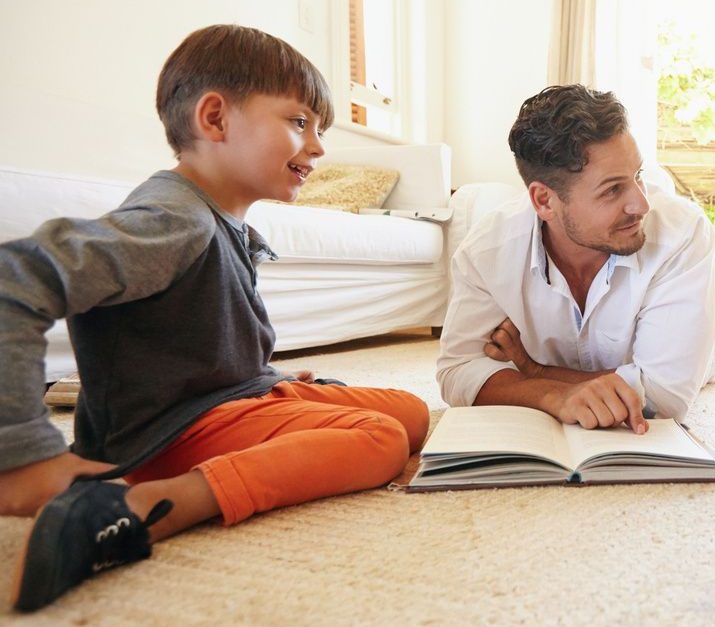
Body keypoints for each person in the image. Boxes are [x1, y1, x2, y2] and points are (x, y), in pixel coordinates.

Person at [0, 25, 429, 612]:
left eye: (320, 129)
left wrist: (268, 379)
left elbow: (196, 341)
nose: (320, 147)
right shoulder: (172, 221)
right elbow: (13, 280)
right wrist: (23, 452)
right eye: (300, 122)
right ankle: (147, 506)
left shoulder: (213, 216)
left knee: (411, 412)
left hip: (225, 401)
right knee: (379, 440)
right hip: (167, 435)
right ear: (215, 119)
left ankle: (258, 418)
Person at [436, 84, 715, 433]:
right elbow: (457, 371)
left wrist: (534, 372)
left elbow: (663, 398)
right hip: (676, 310)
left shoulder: (681, 233)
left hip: (712, 337)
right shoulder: (487, 251)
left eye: (637, 176)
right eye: (612, 190)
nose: (641, 204)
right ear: (544, 201)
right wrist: (550, 395)